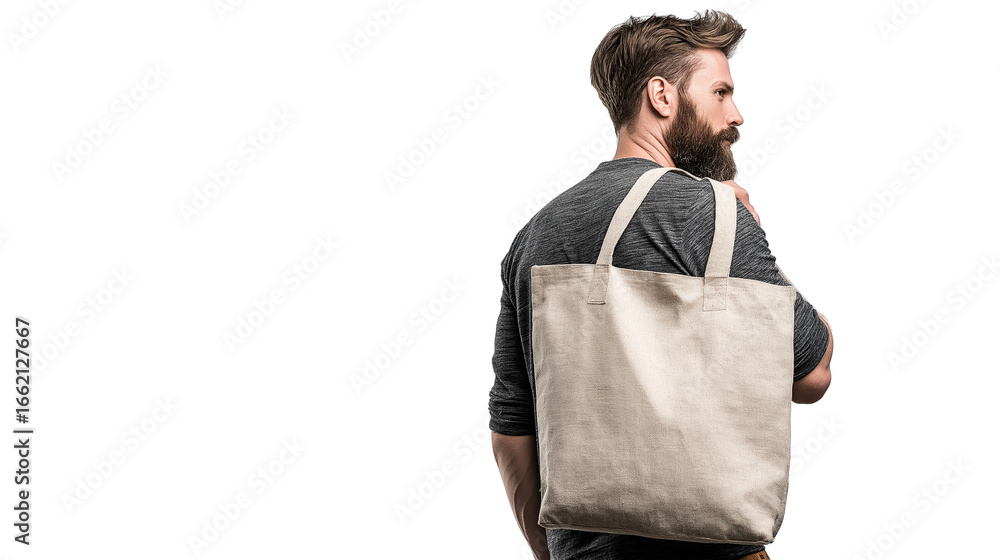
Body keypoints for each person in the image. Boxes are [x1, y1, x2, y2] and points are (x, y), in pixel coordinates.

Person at [488, 10, 835, 560]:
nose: (737, 114)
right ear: (662, 96)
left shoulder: (533, 235)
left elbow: (511, 434)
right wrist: (749, 230)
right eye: (720, 92)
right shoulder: (710, 213)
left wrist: (558, 553)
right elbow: (812, 373)